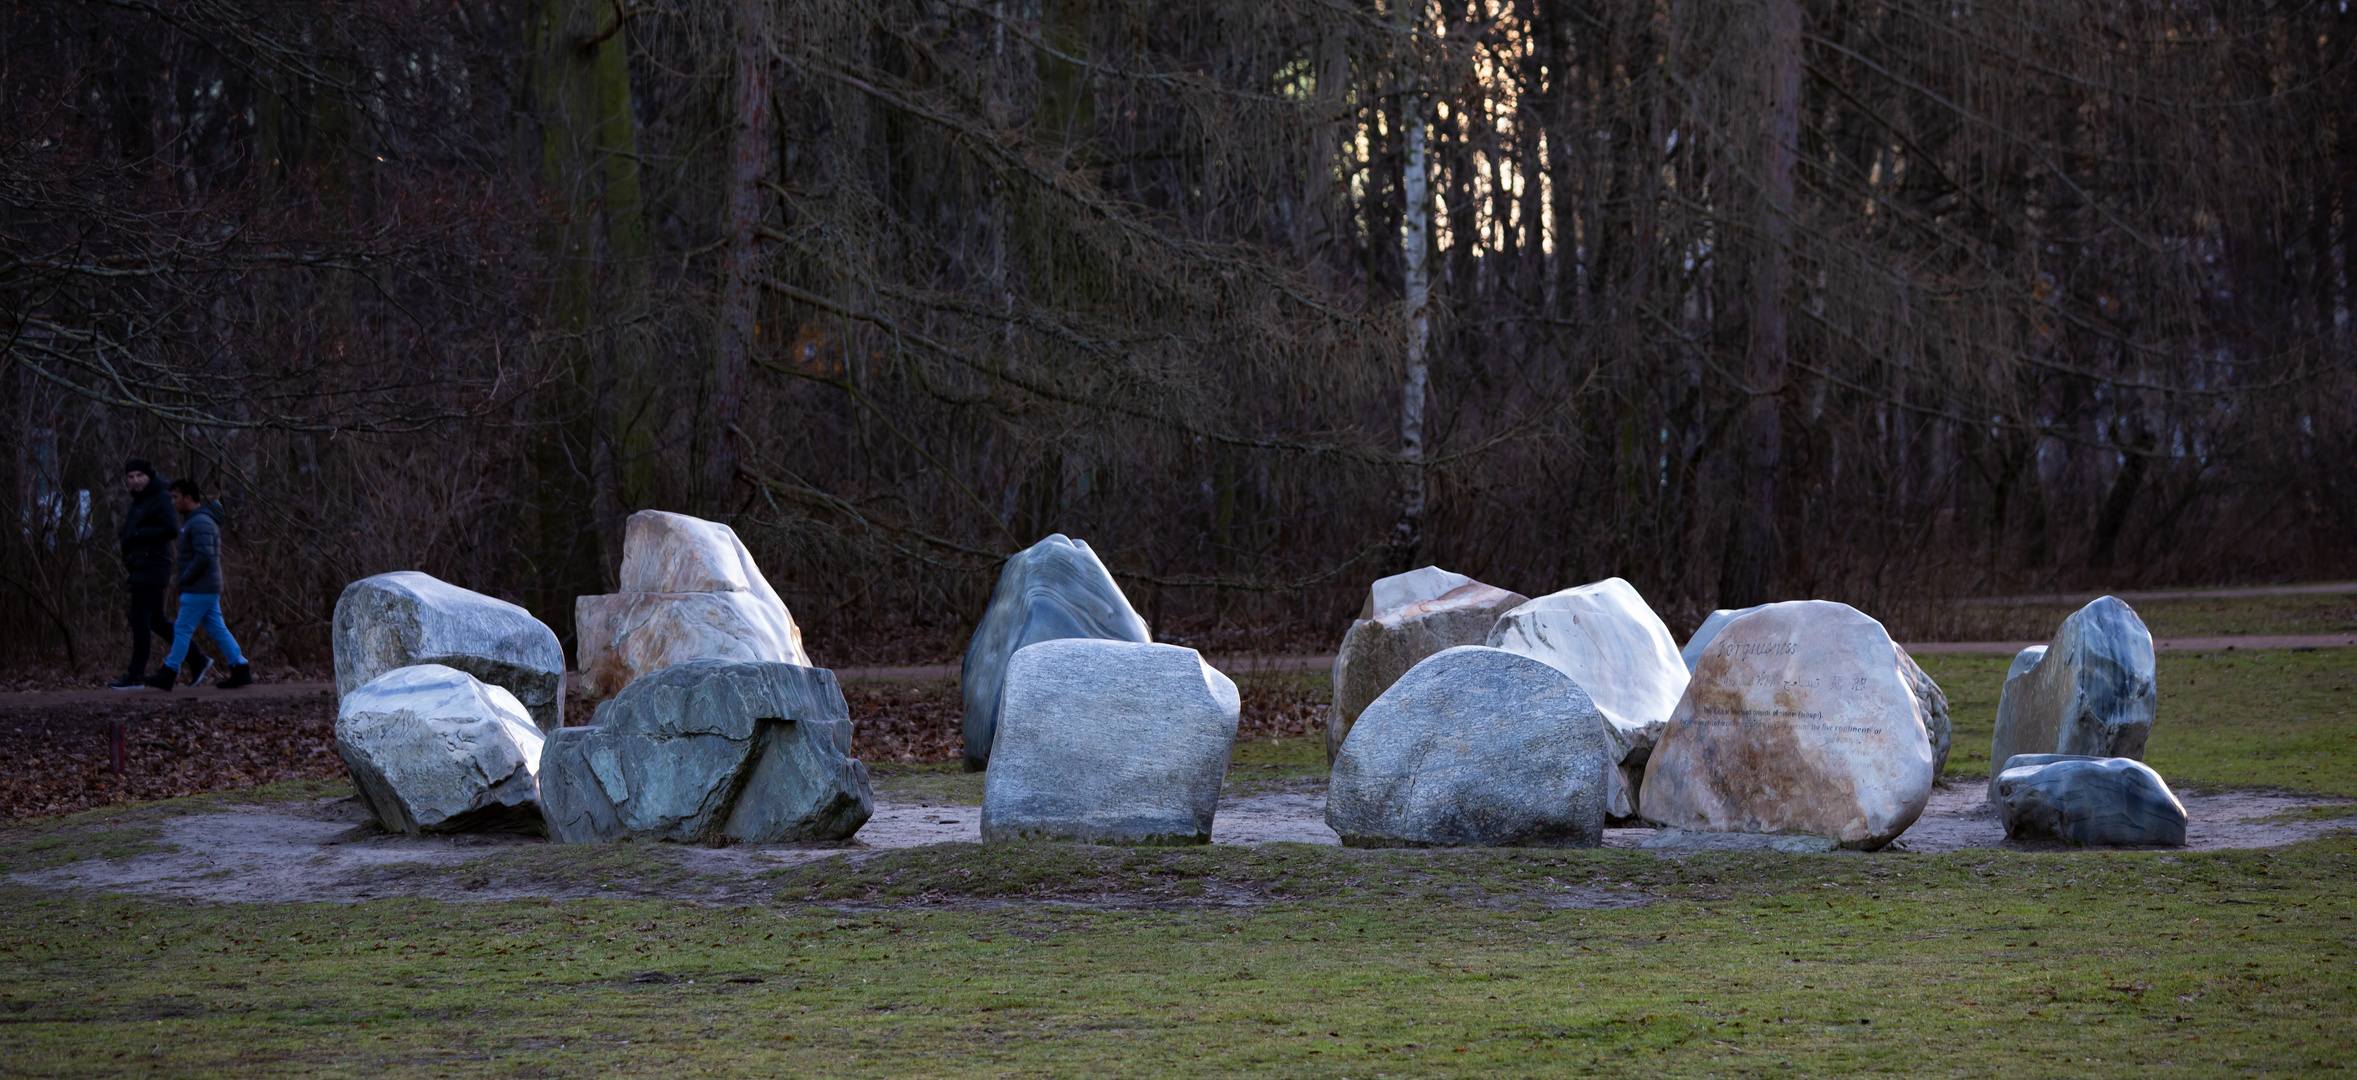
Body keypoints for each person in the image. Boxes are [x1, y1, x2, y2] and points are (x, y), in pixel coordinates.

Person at [144, 478, 252, 691]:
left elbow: (204, 556)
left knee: (182, 629)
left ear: (188, 498)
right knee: (217, 629)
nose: (173, 502)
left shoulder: (200, 522)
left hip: (199, 588)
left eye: (175, 497)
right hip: (204, 587)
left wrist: (184, 579)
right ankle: (240, 667)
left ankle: (169, 672)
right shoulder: (196, 520)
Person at [109, 458, 179, 690]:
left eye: (140, 475)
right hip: (140, 566)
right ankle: (197, 659)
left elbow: (170, 528)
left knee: (140, 618)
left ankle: (136, 674)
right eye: (131, 477)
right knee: (156, 620)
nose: (135, 480)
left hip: (152, 567)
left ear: (149, 475)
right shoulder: (140, 499)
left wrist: (138, 534)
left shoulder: (160, 496)